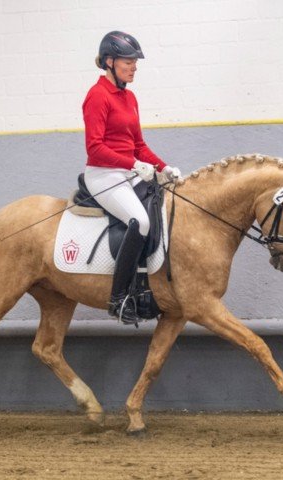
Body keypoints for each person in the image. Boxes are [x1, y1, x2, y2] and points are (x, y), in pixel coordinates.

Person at [82, 30, 182, 324]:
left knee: (162, 210)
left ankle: (146, 289)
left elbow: (139, 144)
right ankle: (118, 298)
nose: (134, 66)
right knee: (141, 222)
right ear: (110, 61)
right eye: (129, 61)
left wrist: (164, 167)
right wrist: (133, 164)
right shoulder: (97, 96)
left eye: (135, 62)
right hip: (103, 175)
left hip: (128, 171)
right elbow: (95, 148)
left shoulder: (130, 98)